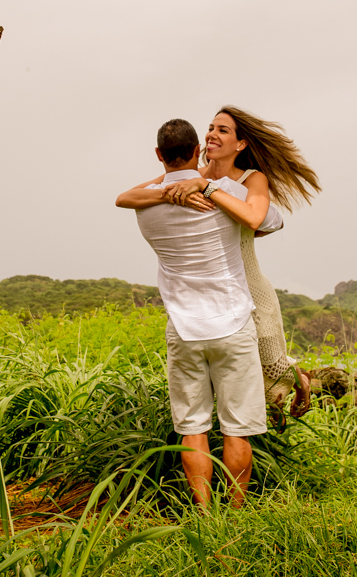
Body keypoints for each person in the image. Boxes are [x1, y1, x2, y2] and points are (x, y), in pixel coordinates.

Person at [115, 118, 283, 508]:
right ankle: (236, 513)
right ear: (198, 152)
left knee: (193, 430)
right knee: (236, 431)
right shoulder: (226, 191)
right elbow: (268, 219)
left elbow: (124, 197)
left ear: (159, 156)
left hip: (184, 329)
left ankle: (203, 514)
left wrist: (165, 189)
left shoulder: (149, 201)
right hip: (233, 325)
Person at [135, 106, 321, 416]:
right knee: (238, 384)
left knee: (268, 369)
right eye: (210, 127)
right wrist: (170, 194)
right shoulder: (193, 174)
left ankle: (299, 381)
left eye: (223, 130)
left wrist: (206, 189)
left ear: (241, 144)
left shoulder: (251, 179)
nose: (212, 134)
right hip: (213, 297)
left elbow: (256, 219)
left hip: (251, 288)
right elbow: (132, 195)